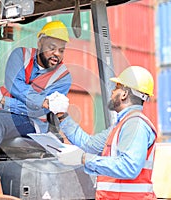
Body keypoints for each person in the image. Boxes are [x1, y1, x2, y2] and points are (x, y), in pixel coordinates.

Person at [54, 66, 158, 200]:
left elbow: (129, 167)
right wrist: (62, 114)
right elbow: (89, 145)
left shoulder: (135, 124)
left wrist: (84, 158)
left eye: (116, 88)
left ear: (124, 94)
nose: (112, 92)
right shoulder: (122, 125)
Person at [0, 21, 72, 159]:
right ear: (40, 44)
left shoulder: (63, 78)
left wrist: (3, 101)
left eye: (61, 50)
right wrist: (41, 100)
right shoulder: (20, 55)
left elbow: (39, 110)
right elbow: (14, 85)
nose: (56, 54)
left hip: (32, 122)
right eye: (52, 48)